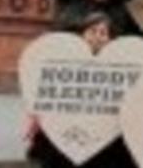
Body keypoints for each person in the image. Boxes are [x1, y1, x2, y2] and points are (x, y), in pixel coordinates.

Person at [25, 13, 135, 168]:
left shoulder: (121, 68)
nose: (97, 37)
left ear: (110, 40)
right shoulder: (63, 63)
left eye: (103, 33)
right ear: (82, 34)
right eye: (92, 31)